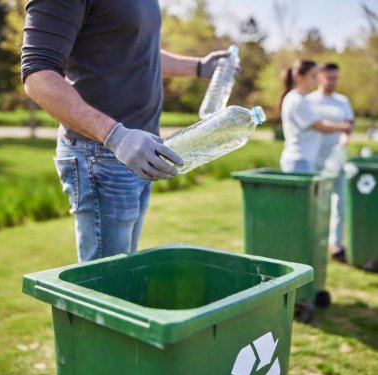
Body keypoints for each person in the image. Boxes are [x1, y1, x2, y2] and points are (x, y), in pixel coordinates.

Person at [21, 0, 237, 262]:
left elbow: (137, 51)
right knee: (104, 284)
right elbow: (37, 73)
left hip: (140, 149)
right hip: (101, 154)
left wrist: (199, 67)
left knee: (123, 271)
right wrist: (115, 136)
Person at [307, 63, 355, 262]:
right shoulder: (309, 101)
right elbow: (314, 126)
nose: (333, 82)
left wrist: (345, 136)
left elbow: (349, 126)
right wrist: (339, 127)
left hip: (336, 161)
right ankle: (313, 241)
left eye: (336, 78)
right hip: (314, 161)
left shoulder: (342, 101)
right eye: (329, 78)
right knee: (314, 204)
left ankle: (336, 246)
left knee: (339, 202)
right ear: (319, 77)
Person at [279, 59, 352, 173]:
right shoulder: (297, 100)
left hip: (304, 159)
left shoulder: (301, 99)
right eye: (313, 76)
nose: (317, 80)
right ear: (300, 77)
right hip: (299, 160)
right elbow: (318, 125)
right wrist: (343, 127)